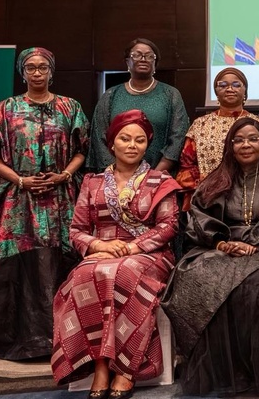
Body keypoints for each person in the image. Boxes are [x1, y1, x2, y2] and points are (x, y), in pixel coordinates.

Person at [162, 118, 259, 395]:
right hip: (218, 248)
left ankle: (250, 368)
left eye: (253, 139)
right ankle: (223, 368)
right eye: (239, 139)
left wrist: (256, 245)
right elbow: (197, 218)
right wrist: (221, 243)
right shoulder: (216, 178)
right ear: (230, 145)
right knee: (204, 283)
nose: (246, 144)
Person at [51, 111, 180, 399]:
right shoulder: (93, 182)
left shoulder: (160, 180)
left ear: (148, 144)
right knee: (84, 274)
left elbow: (169, 226)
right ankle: (100, 365)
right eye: (125, 138)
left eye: (140, 140)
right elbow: (77, 230)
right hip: (104, 251)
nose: (132, 145)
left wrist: (132, 247)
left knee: (123, 272)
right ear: (112, 144)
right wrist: (100, 246)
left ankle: (125, 369)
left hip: (150, 254)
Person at [0, 47, 89, 360]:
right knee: (14, 268)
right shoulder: (4, 109)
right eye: (30, 68)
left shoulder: (70, 108)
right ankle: (18, 344)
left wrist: (64, 175)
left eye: (42, 67)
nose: (37, 73)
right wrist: (20, 180)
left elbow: (83, 150)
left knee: (57, 266)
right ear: (21, 72)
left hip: (59, 200)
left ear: (52, 71)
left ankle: (62, 343)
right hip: (15, 202)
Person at [87, 38, 189, 173]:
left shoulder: (170, 94)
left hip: (160, 176)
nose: (143, 59)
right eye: (136, 55)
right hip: (115, 177)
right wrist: (118, 174)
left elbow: (178, 137)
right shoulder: (111, 95)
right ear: (127, 62)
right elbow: (99, 136)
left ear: (155, 63)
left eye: (149, 56)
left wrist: (155, 175)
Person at [176, 67, 259, 195]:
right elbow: (186, 165)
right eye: (223, 85)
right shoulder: (200, 124)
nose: (230, 89)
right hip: (207, 195)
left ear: (245, 91)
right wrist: (206, 183)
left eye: (236, 84)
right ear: (216, 91)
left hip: (252, 194)